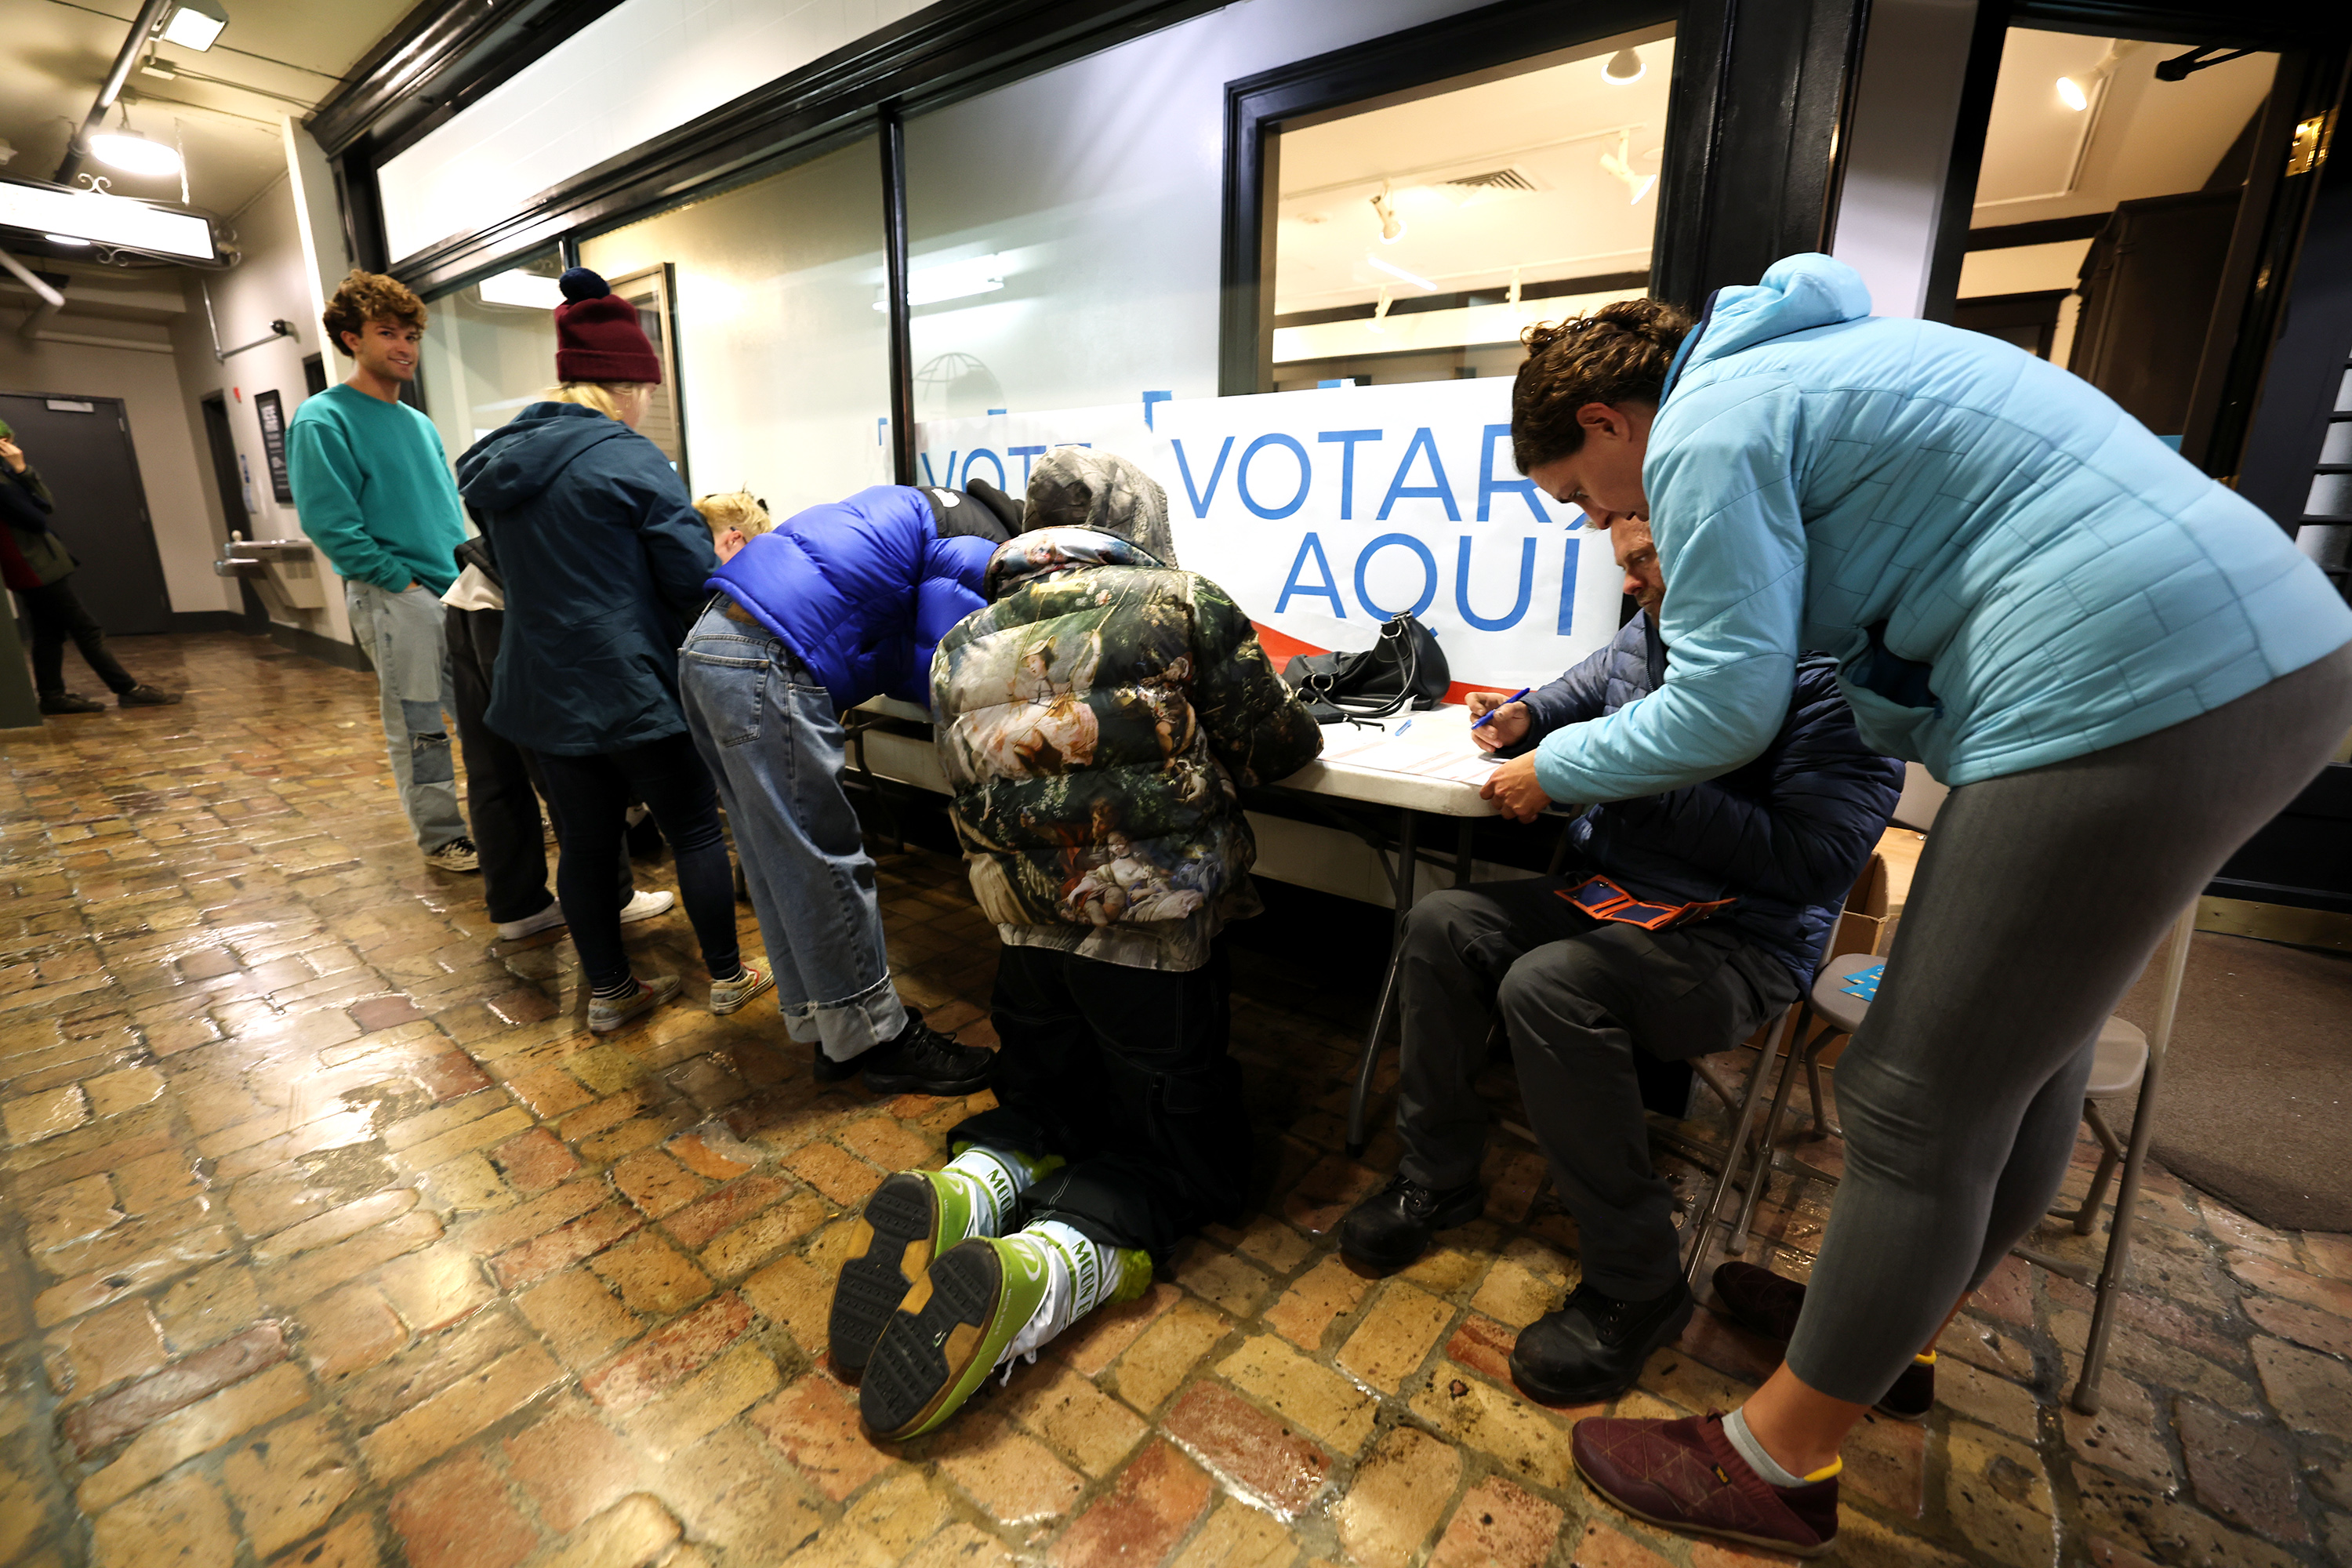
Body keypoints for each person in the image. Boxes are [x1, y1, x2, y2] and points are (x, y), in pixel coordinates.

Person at [1490, 255, 2352, 1558]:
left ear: (1611, 423)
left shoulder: (1708, 427)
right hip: (2258, 650)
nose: (1597, 522)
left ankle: (1777, 1457)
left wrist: (1549, 771)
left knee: (1907, 1100)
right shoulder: (1810, 369)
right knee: (2024, 1064)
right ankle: (1882, 1335)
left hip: (2133, 679)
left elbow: (1724, 706)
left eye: (1575, 491)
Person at [1338, 517, 1901, 1408]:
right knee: (1442, 922)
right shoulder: (1651, 631)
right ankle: (1436, 1176)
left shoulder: (1828, 677)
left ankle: (1640, 1282)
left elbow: (1813, 862)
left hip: (1739, 937)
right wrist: (1525, 714)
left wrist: (1611, 768)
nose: (1631, 581)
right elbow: (1582, 689)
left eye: (1643, 561)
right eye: (1624, 561)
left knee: (1551, 985)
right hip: (1618, 893)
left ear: (1722, 549)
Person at [844, 449, 1323, 1440]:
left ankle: (971, 1188)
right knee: (1170, 1148)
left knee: (1046, 1093)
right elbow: (1278, 748)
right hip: (1149, 933)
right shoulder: (1177, 602)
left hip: (1020, 921)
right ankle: (1047, 1267)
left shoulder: (961, 638)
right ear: (1135, 518)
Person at [454, 267, 759, 1034]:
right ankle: (727, 975)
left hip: (539, 685)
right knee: (692, 825)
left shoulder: (501, 461)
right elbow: (692, 580)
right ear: (627, 383)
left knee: (586, 844)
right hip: (631, 683)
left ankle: (612, 992)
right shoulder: (630, 459)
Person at [677, 483, 1004, 1094]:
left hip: (712, 648)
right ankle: (883, 1042)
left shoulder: (932, 504)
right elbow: (948, 667)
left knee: (781, 861)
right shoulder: (981, 542)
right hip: (764, 659)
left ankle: (837, 1031)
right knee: (826, 862)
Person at [286, 271, 478, 873]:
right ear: (351, 339)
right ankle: (442, 833)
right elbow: (331, 524)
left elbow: (445, 508)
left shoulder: (418, 423)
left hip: (454, 590)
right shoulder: (324, 419)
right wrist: (402, 583)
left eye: (412, 335)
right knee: (419, 723)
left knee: (481, 712)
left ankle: (506, 813)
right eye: (387, 333)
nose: (404, 347)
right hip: (397, 597)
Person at [440, 543, 672, 942]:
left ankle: (518, 906)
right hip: (526, 610)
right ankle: (613, 898)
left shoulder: (497, 479)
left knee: (492, 768)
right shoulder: (590, 480)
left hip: (469, 599)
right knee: (572, 768)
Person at [1, 421, 179, 713]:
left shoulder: (5, 477)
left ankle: (52, 696)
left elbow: (43, 507)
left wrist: (20, 473)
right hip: (35, 566)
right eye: (5, 442)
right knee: (87, 629)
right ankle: (127, 689)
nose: (11, 448)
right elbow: (39, 515)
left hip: (33, 567)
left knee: (49, 633)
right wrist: (22, 470)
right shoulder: (4, 481)